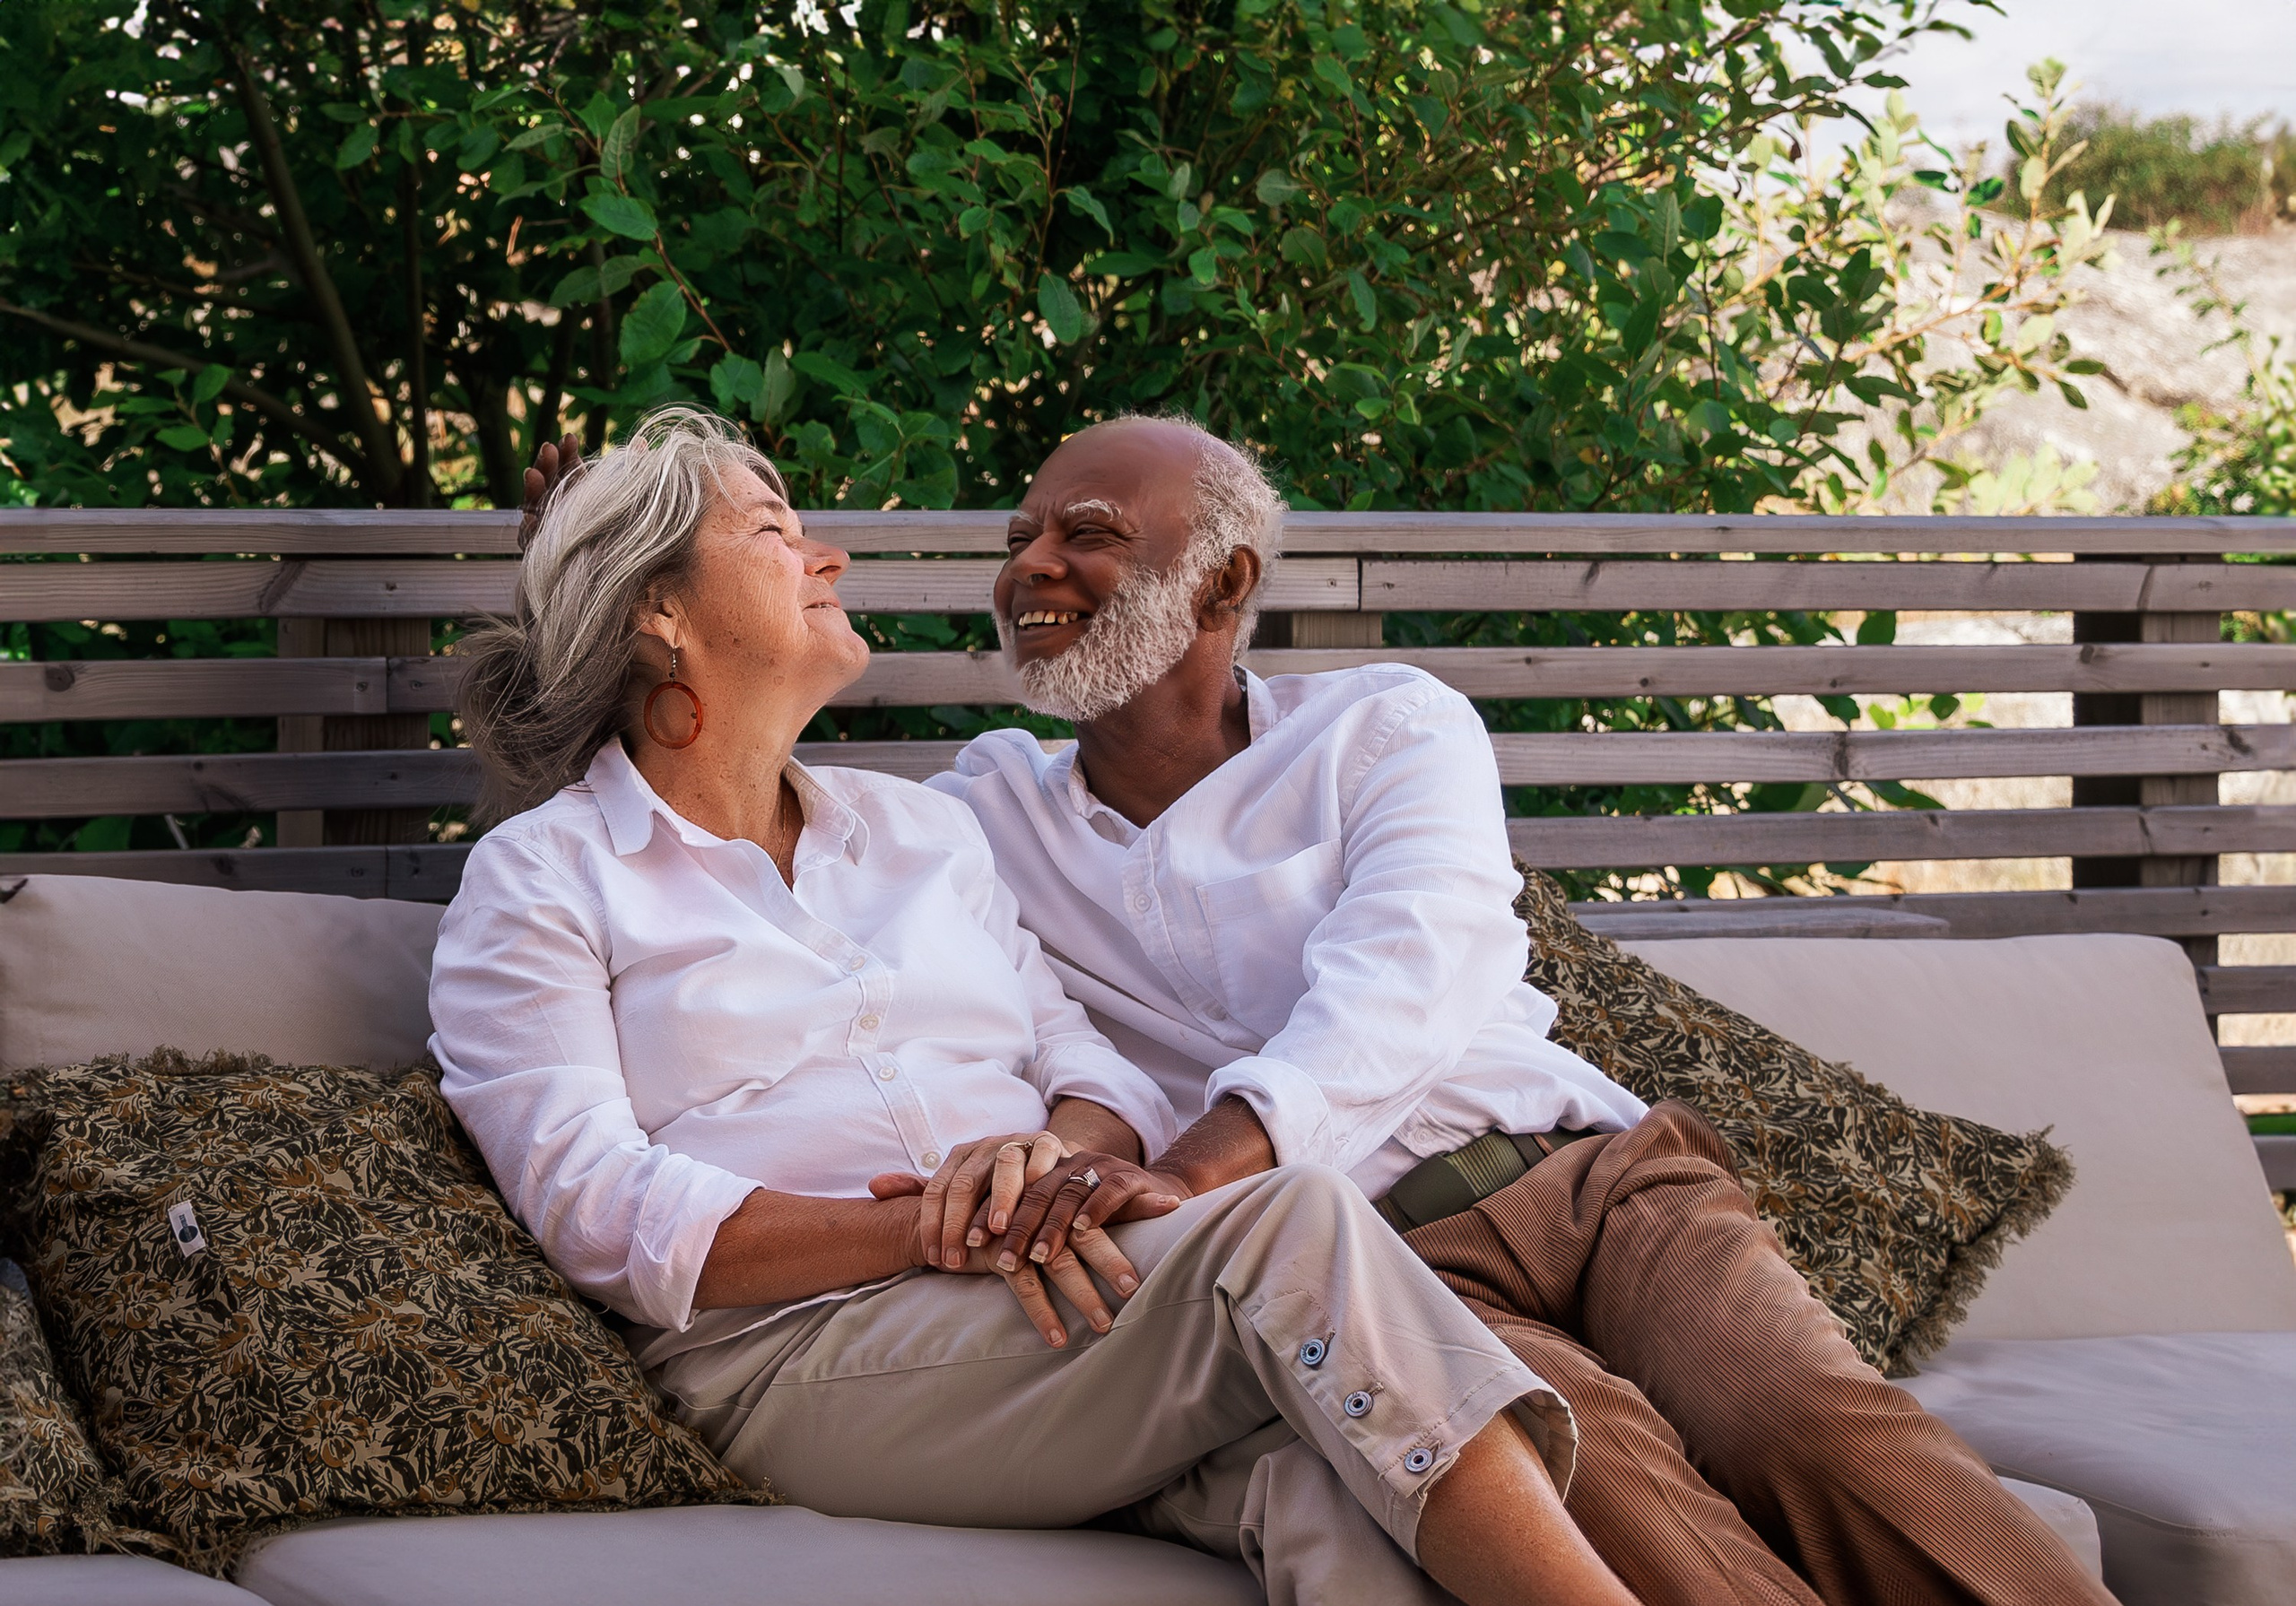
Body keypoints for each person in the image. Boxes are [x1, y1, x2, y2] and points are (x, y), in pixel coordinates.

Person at [438, 406, 1649, 1606]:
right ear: (659, 611)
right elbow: (595, 1204)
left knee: (1337, 1484)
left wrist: (1053, 1159)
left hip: (1046, 1302)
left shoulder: (923, 831)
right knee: (1296, 1224)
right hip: (805, 1353)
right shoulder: (541, 878)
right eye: (772, 531)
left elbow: (1084, 1057)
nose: (828, 557)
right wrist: (927, 1230)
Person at [918, 414, 2118, 1606]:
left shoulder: (1386, 725)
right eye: (1019, 536)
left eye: (1090, 534)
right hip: (1388, 1270)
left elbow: (1408, 968)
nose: (1031, 566)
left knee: (1814, 1425)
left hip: (1589, 1186)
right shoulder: (982, 817)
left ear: (1222, 582)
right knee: (1624, 1500)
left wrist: (1189, 1175)